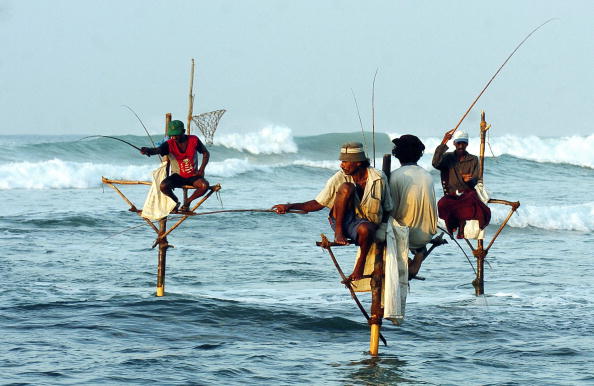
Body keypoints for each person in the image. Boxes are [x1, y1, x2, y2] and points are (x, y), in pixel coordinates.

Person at [272, 142, 393, 282]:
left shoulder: (378, 178)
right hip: (342, 221)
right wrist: (289, 206)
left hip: (365, 223)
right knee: (347, 187)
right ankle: (339, 232)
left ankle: (360, 265)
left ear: (358, 163)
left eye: (346, 161)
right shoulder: (339, 177)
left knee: (367, 228)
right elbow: (318, 203)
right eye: (342, 161)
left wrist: (380, 230)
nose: (342, 165)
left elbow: (387, 207)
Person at [390, 135, 437, 279]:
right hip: (426, 235)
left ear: (397, 155)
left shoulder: (394, 176)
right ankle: (418, 254)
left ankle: (408, 264)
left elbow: (391, 210)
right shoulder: (427, 175)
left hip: (405, 237)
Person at [140, 120, 210, 213]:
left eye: (176, 134)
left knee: (204, 185)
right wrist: (148, 150)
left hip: (194, 176)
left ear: (183, 131)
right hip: (177, 177)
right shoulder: (169, 143)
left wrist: (201, 169)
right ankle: (175, 201)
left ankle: (187, 202)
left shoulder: (194, 140)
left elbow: (205, 153)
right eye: (172, 135)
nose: (174, 137)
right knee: (163, 186)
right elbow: (158, 150)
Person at [432, 129, 490, 238]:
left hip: (467, 193)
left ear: (467, 144)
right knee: (441, 205)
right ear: (454, 143)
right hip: (451, 194)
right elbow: (435, 163)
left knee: (473, 204)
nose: (461, 146)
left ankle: (462, 228)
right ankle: (453, 226)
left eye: (463, 143)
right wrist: (444, 141)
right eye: (458, 143)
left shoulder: (473, 159)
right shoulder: (447, 157)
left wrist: (469, 180)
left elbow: (475, 180)